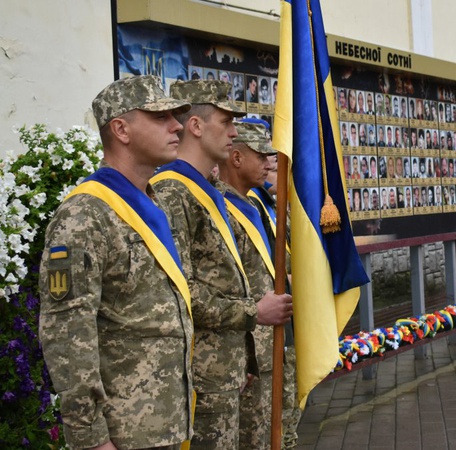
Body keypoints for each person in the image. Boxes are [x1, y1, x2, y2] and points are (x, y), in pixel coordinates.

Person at [39, 75, 194, 449]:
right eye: (160, 117)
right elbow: (67, 333)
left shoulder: (153, 203)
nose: (176, 126)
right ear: (121, 129)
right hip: (125, 435)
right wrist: (90, 437)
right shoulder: (85, 216)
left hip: (168, 422)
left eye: (175, 116)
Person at [154, 79, 291, 449]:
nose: (234, 132)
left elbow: (226, 279)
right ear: (196, 127)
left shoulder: (207, 191)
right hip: (203, 375)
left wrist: (244, 356)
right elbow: (180, 290)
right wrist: (253, 313)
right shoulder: (173, 192)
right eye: (225, 121)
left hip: (227, 369)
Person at [217, 122, 294, 449]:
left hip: (272, 342)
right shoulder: (223, 207)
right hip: (250, 350)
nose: (269, 163)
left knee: (280, 431)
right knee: (255, 438)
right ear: (236, 158)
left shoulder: (254, 205)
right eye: (261, 155)